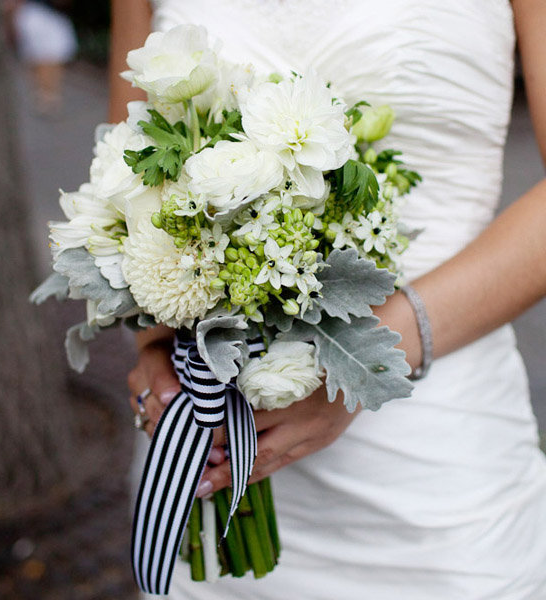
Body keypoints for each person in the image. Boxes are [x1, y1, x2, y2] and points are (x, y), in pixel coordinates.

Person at [110, 1, 546, 597]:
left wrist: (360, 359)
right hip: (209, 453)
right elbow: (125, 173)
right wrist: (157, 342)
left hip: (434, 476)